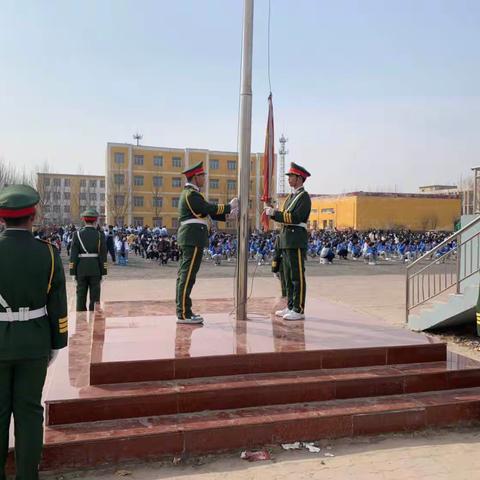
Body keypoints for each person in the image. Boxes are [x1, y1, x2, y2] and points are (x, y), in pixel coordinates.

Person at [0, 184, 68, 480]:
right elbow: (58, 305)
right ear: (33, 215)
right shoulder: (49, 254)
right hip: (35, 344)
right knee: (29, 413)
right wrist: (56, 342)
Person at [176, 161, 238, 324]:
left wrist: (228, 215)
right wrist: (228, 206)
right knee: (187, 276)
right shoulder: (191, 194)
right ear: (196, 177)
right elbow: (206, 208)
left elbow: (207, 212)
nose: (204, 178)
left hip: (192, 237)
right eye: (202, 175)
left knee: (187, 276)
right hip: (192, 237)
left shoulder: (193, 194)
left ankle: (185, 311)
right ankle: (183, 313)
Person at [264, 162, 312, 320]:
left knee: (297, 276)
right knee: (289, 276)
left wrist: (275, 213)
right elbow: (285, 215)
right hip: (286, 240)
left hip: (296, 240)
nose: (289, 179)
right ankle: (290, 305)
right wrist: (273, 212)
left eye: (291, 176)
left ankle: (298, 309)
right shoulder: (292, 197)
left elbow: (294, 217)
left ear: (299, 178)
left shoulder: (303, 197)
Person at [70, 208, 107, 312]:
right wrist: (104, 272)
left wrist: (72, 272)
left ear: (84, 220)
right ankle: (94, 320)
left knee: (80, 296)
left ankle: (81, 322)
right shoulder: (100, 235)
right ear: (95, 220)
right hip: (95, 269)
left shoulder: (76, 234)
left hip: (81, 269)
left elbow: (73, 255)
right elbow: (103, 255)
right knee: (95, 298)